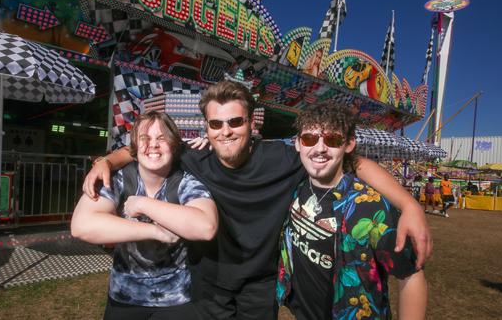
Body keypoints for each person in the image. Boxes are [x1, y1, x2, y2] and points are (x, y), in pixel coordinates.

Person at [83, 80, 432, 320]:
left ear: (251, 122)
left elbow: (358, 163)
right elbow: (145, 149)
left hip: (262, 285)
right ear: (205, 128)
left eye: (235, 121)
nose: (225, 131)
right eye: (215, 124)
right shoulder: (194, 157)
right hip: (208, 282)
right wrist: (105, 162)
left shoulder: (287, 155)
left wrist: (410, 205)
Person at [277, 101, 427, 319]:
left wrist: (410, 205)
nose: (319, 148)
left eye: (333, 139)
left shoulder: (371, 207)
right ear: (298, 143)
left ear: (348, 144)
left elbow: (411, 276)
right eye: (309, 138)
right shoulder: (296, 183)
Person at [71, 111, 218, 320]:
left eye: (162, 138)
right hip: (124, 297)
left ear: (174, 146)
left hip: (176, 299)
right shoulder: (118, 179)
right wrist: (156, 231)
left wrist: (142, 204)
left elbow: (206, 227)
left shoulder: (185, 181)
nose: (153, 145)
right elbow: (82, 226)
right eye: (145, 138)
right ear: (134, 147)